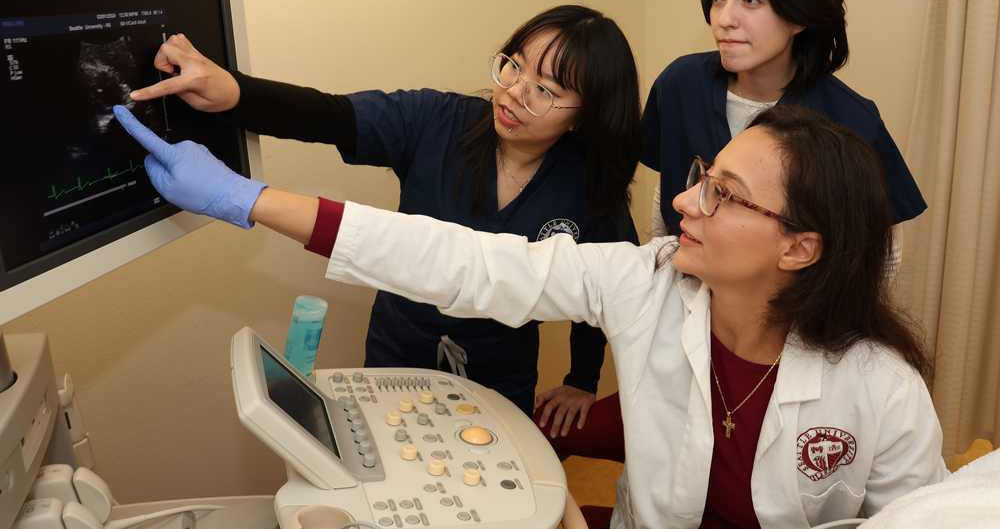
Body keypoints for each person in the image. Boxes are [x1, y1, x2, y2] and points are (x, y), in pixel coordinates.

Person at [113, 103, 947, 528]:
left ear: (799, 248)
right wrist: (251, 199)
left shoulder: (881, 388)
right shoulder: (644, 280)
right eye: (705, 173)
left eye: (725, 196)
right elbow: (467, 262)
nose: (687, 200)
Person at [126, 5, 642, 426]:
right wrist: (233, 92)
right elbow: (328, 116)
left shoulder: (592, 188)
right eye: (514, 64)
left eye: (547, 89)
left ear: (585, 116)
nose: (514, 91)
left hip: (499, 377)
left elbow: (603, 287)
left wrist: (582, 379)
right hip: (397, 354)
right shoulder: (437, 121)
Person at [642, 0, 926, 245]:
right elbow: (669, 190)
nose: (723, 19)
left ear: (800, 14)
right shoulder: (680, 84)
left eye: (750, 0)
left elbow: (884, 249)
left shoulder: (851, 121)